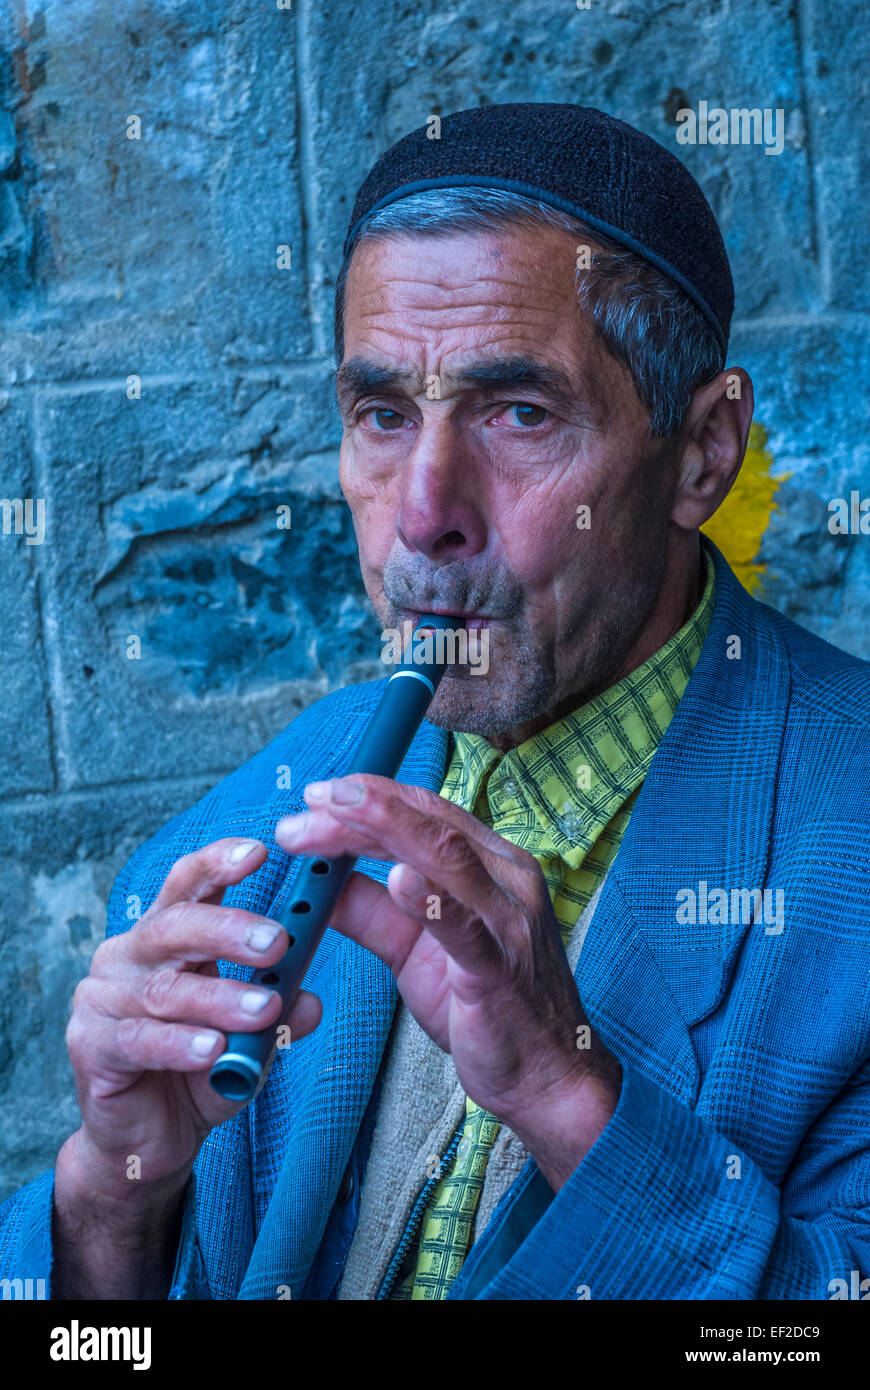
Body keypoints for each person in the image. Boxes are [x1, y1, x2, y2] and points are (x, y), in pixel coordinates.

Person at [2, 103, 868, 1301]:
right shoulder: (236, 836)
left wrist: (572, 1099)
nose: (423, 514)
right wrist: (113, 1202)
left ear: (703, 453)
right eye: (383, 415)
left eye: (520, 414)